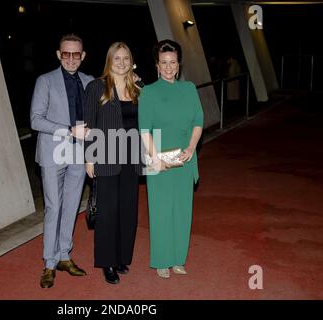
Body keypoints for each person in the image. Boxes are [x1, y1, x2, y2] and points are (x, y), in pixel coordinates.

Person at [30, 34, 94, 288]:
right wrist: (68, 130)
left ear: (83, 56)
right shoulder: (45, 81)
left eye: (75, 54)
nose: (70, 59)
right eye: (65, 54)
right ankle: (49, 262)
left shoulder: (90, 82)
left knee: (71, 207)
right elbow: (35, 120)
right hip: (53, 153)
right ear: (58, 54)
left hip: (79, 153)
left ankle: (64, 256)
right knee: (54, 207)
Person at [138, 39, 204, 279]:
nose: (168, 67)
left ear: (178, 65)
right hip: (159, 159)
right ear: (157, 65)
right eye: (164, 63)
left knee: (183, 210)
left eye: (172, 62)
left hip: (185, 158)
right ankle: (162, 260)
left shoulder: (188, 89)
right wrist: (156, 159)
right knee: (161, 210)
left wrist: (191, 147)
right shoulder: (149, 92)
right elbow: (144, 129)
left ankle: (178, 259)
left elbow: (198, 121)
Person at [83, 42, 142, 285]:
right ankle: (107, 262)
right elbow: (88, 125)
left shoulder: (138, 87)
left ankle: (121, 258)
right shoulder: (97, 86)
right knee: (108, 213)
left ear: (131, 61)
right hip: (106, 158)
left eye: (125, 58)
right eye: (116, 58)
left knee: (128, 211)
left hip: (132, 158)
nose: (121, 62)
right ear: (109, 61)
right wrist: (89, 157)